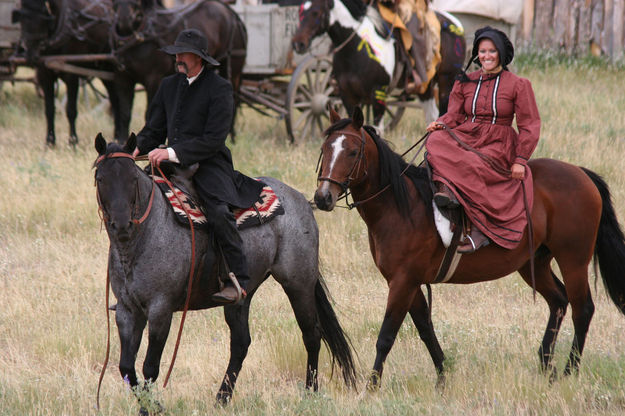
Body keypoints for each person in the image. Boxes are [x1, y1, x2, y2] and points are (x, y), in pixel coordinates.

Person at [132, 28, 264, 303]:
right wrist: (134, 149)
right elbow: (153, 129)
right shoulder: (168, 85)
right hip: (170, 164)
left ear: (199, 58)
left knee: (216, 210)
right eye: (176, 53)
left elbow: (214, 140)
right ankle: (135, 283)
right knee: (135, 199)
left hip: (210, 164)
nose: (178, 58)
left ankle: (238, 279)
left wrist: (170, 152)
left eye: (183, 54)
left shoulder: (220, 89)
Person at [425, 26, 541, 253]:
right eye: (482, 51)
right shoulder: (465, 81)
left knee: (475, 162)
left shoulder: (518, 84)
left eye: (491, 51)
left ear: (501, 53)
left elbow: (529, 125)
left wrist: (520, 159)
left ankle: (481, 231)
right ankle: (448, 193)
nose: (486, 56)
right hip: (468, 134)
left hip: (499, 141)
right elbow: (455, 115)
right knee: (435, 142)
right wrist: (441, 123)